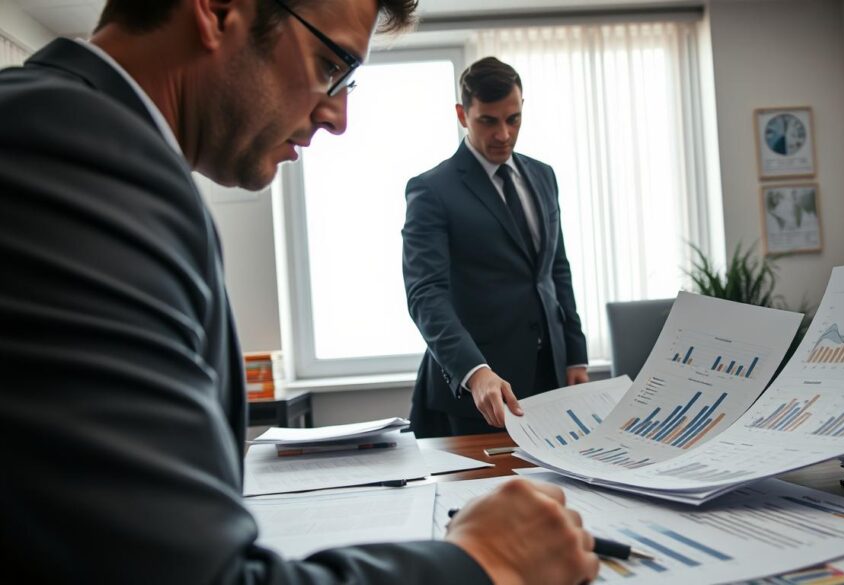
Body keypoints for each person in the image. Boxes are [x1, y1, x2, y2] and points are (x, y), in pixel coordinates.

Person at [0, 1, 600, 583]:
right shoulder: (67, 158)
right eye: (329, 64)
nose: (338, 117)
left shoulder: (107, 152)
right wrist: (484, 560)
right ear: (217, 10)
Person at [403, 57, 589, 437]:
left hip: (551, 378)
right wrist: (475, 372)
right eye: (488, 121)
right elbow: (425, 294)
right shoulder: (432, 190)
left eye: (513, 119)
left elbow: (556, 268)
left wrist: (575, 355)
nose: (503, 134)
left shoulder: (543, 176)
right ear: (462, 115)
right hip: (479, 391)